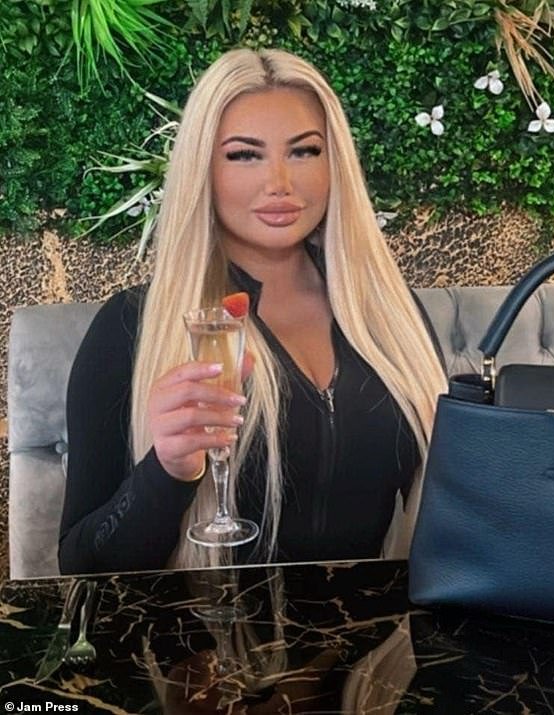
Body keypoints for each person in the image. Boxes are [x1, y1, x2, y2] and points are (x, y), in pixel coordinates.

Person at [58, 48, 447, 575]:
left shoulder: (393, 319)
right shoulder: (131, 327)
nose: (280, 182)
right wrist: (167, 470)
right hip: (209, 628)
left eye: (305, 151)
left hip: (375, 628)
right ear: (203, 168)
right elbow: (79, 566)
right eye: (245, 155)